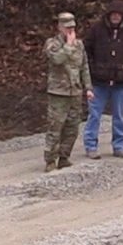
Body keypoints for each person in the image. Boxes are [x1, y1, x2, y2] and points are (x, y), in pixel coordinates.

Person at [82, 0, 123, 159]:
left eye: (119, 14)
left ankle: (119, 145)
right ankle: (90, 146)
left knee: (119, 116)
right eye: (113, 14)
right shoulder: (96, 30)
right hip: (99, 81)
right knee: (94, 115)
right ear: (108, 15)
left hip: (121, 82)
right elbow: (85, 51)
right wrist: (92, 69)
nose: (116, 17)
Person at [42, 11, 94, 173]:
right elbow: (57, 59)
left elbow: (84, 67)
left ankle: (64, 157)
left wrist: (88, 87)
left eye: (72, 27)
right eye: (67, 28)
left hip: (75, 92)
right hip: (58, 92)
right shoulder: (52, 44)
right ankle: (50, 160)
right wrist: (68, 46)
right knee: (55, 127)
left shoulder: (79, 45)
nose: (70, 31)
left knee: (72, 127)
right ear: (59, 27)